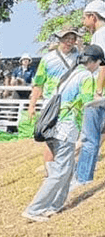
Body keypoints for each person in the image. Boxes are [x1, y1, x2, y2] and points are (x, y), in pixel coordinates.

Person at [23, 45, 103, 220]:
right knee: (60, 171)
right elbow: (88, 102)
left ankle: (55, 205)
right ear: (94, 61)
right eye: (99, 63)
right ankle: (35, 209)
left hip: (55, 125)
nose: (99, 67)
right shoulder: (86, 76)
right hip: (67, 127)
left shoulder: (71, 73)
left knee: (67, 169)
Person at [27, 27, 82, 156]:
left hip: (73, 104)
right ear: (59, 40)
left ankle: (66, 168)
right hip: (51, 103)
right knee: (50, 138)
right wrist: (32, 105)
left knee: (70, 138)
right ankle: (50, 170)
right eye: (66, 39)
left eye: (72, 39)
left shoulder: (80, 58)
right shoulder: (47, 59)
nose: (69, 42)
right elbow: (38, 83)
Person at [74, 1, 105, 187]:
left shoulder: (101, 35)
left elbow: (103, 64)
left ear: (93, 16)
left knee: (90, 137)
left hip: (99, 94)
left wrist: (98, 90)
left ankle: (83, 179)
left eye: (85, 17)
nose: (84, 21)